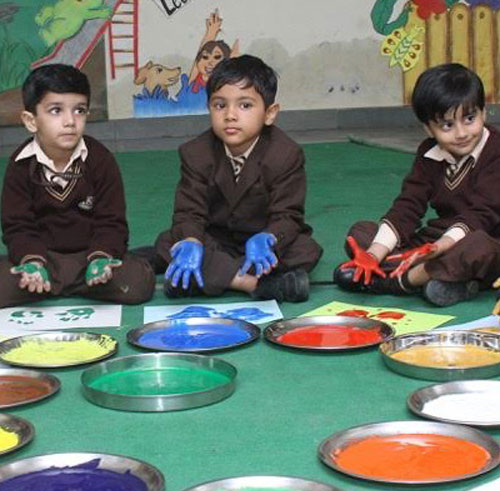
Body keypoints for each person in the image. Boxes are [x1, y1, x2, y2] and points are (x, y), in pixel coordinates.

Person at [153, 54, 323, 302]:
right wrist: (191, 240)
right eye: (220, 105)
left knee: (306, 249)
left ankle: (204, 280)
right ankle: (252, 284)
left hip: (260, 245)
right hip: (215, 240)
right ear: (209, 107)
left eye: (245, 106)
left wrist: (270, 238)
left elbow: (288, 216)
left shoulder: (286, 154)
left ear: (270, 113)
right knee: (169, 241)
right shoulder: (195, 153)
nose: (230, 115)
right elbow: (189, 213)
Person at [334, 63, 500, 307]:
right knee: (360, 234)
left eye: (469, 118)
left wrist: (441, 247)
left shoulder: (496, 149)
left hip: (487, 235)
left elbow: (482, 214)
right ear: (428, 128)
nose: (461, 133)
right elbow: (408, 206)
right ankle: (438, 279)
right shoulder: (428, 152)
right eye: (447, 125)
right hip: (439, 236)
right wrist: (373, 254)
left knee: (478, 249)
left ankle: (400, 282)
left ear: (484, 113)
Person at [0, 63, 155, 308]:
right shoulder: (19, 166)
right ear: (31, 121)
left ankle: (67, 283)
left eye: (79, 110)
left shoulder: (100, 159)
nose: (70, 121)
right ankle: (43, 280)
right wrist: (32, 263)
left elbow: (111, 222)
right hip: (44, 261)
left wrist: (101, 257)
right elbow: (18, 227)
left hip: (89, 260)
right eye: (55, 110)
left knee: (137, 283)